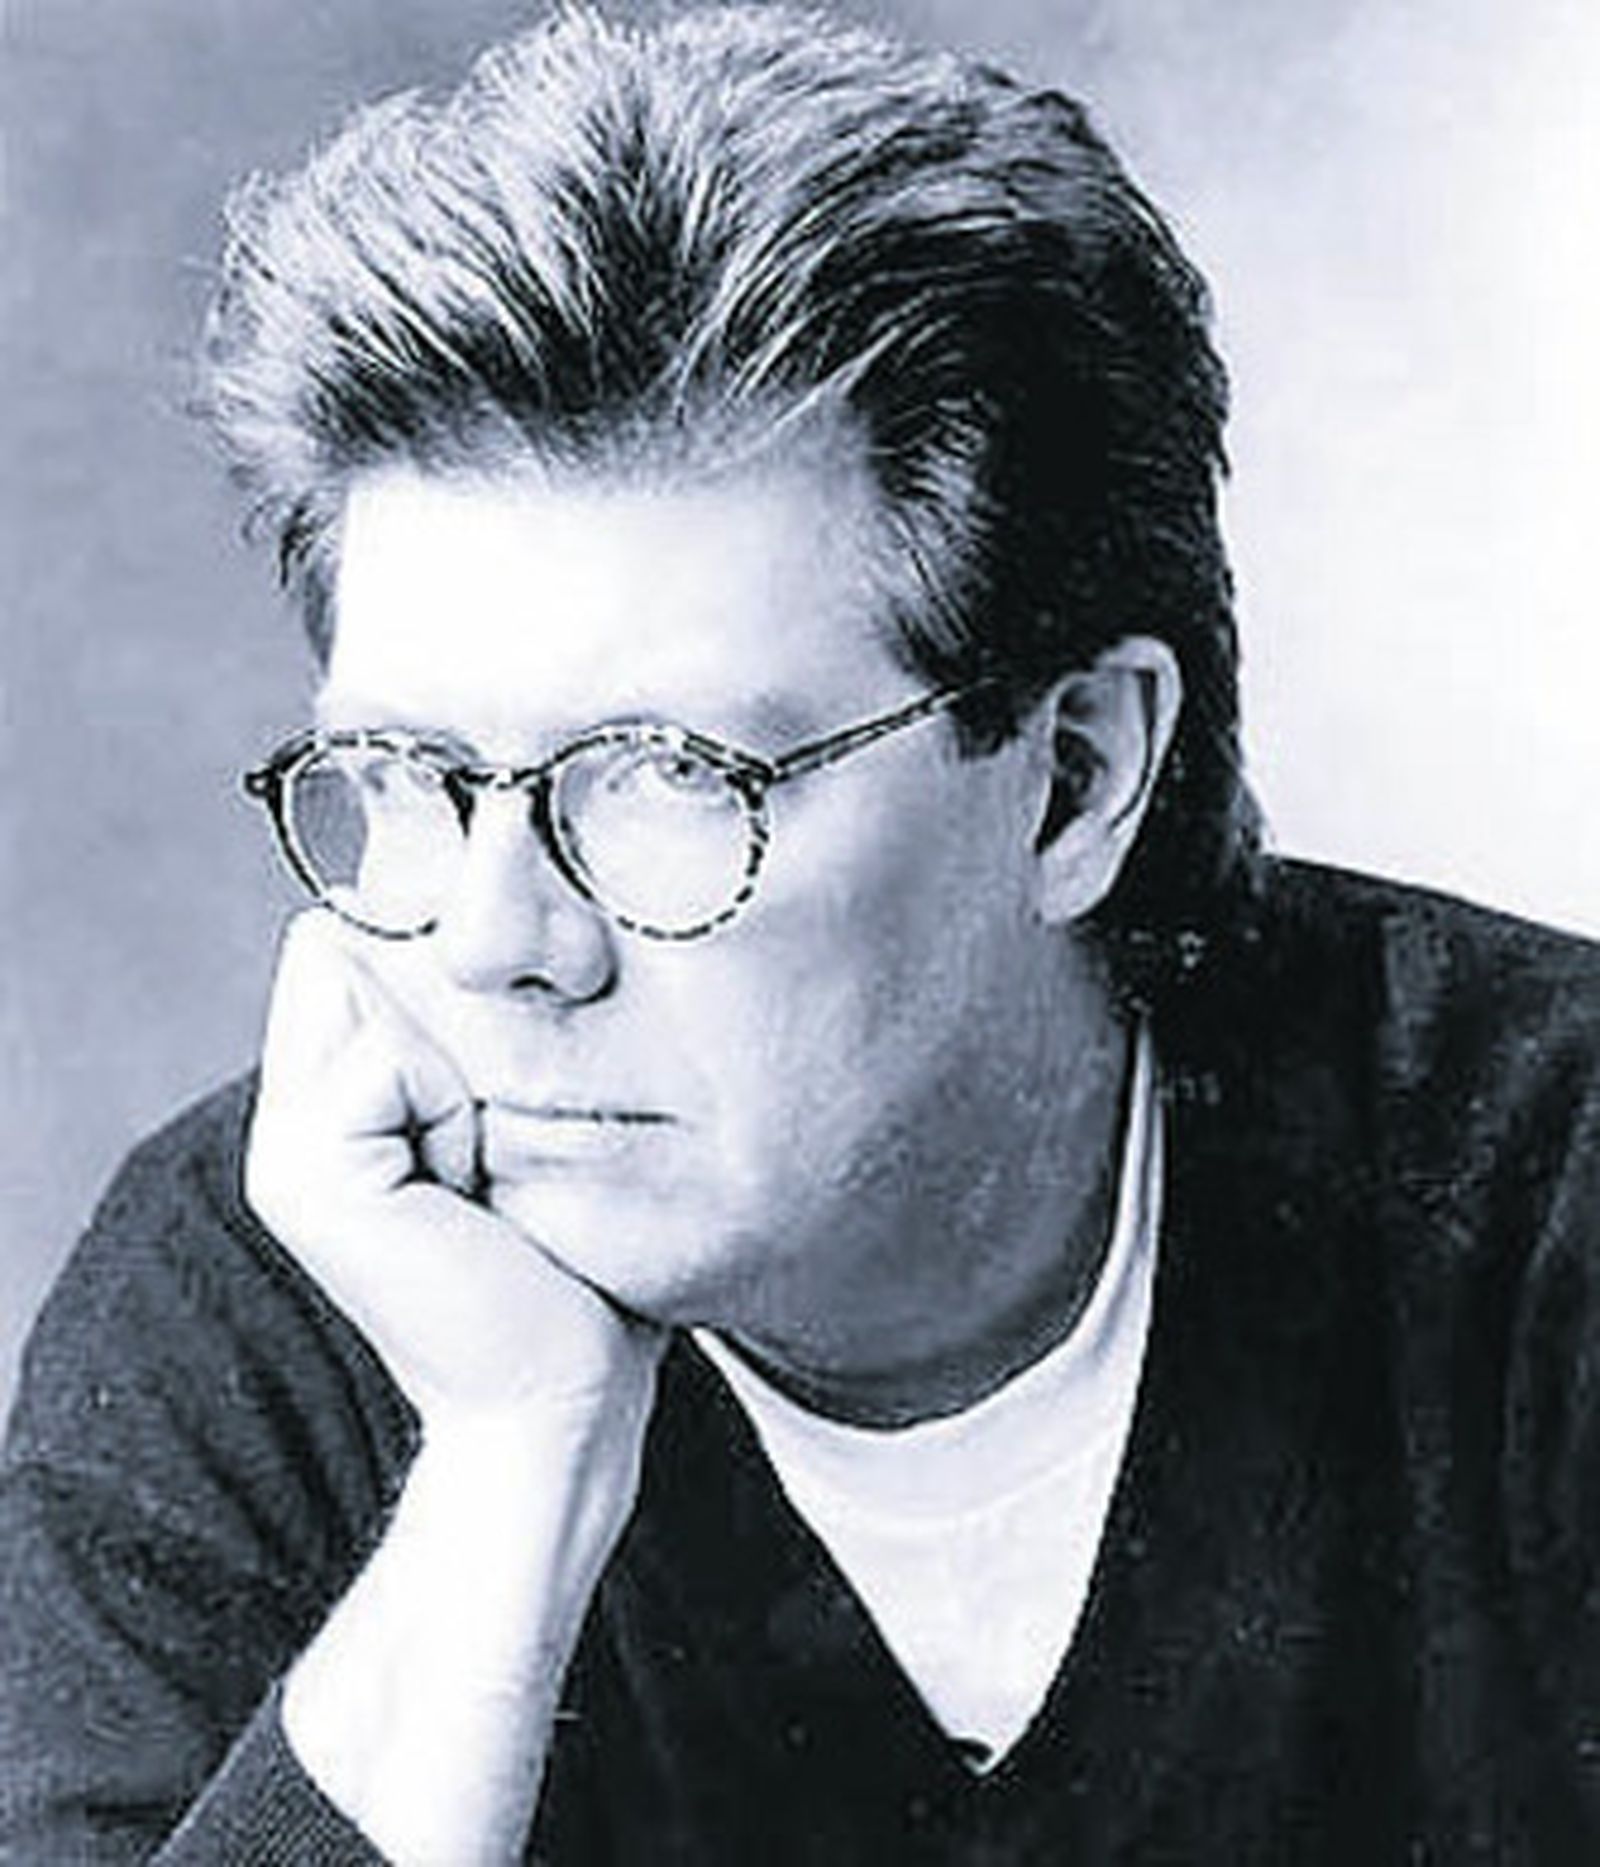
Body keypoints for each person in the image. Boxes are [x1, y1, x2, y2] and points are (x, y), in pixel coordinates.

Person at [3, 5, 1599, 1860]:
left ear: (1076, 778)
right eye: (413, 775)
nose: (502, 943)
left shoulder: (1547, 1199)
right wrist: (511, 1472)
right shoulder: (265, 1290)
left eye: (664, 778)